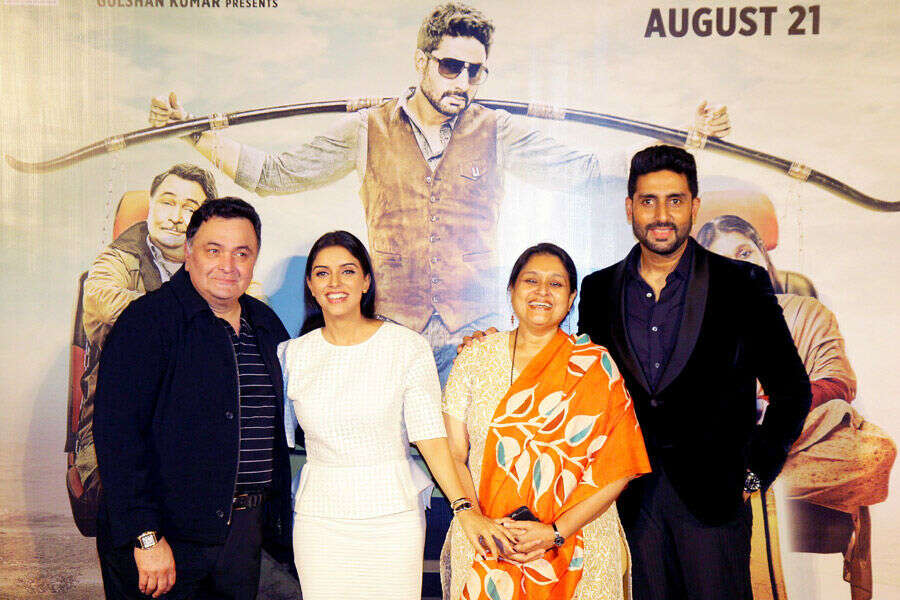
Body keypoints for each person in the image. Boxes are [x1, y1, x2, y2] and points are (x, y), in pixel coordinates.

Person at [148, 2, 729, 383]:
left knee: (470, 488)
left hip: (472, 337)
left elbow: (587, 167)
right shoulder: (366, 130)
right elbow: (274, 171)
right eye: (451, 67)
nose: (464, 82)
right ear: (421, 61)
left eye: (477, 71)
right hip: (391, 336)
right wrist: (196, 135)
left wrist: (687, 141)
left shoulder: (497, 130)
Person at [577, 145, 811, 600]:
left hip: (715, 500)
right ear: (629, 208)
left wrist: (753, 474)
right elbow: (584, 382)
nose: (662, 214)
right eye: (648, 201)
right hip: (631, 499)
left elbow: (792, 390)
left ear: (695, 206)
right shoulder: (598, 288)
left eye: (675, 200)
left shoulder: (741, 284)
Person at [278, 230, 512, 600]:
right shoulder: (292, 355)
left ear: (367, 280)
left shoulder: (406, 347)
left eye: (348, 271)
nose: (335, 283)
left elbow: (431, 439)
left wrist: (464, 508)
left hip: (392, 517)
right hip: (319, 519)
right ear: (310, 284)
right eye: (322, 273)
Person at [93, 197, 294, 599]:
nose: (228, 265)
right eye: (213, 250)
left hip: (243, 536)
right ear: (188, 253)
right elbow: (118, 438)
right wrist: (146, 537)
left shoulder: (266, 324)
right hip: (165, 544)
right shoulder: (147, 322)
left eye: (242, 252)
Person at [697, 214, 896, 598]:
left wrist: (775, 408)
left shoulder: (807, 312)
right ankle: (746, 478)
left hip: (798, 437)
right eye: (724, 260)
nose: (740, 264)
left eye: (744, 251)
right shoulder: (699, 325)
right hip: (726, 444)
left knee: (875, 451)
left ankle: (747, 479)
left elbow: (837, 382)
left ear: (763, 256)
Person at [442, 243, 651, 600]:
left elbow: (619, 465)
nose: (542, 291)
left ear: (571, 299)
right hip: (488, 541)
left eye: (556, 284)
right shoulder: (474, 359)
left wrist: (555, 531)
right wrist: (475, 520)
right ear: (511, 290)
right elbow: (452, 454)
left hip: (579, 542)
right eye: (530, 280)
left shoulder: (595, 366)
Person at [74, 163, 217, 512]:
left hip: (195, 423)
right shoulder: (117, 258)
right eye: (167, 202)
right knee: (134, 497)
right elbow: (102, 303)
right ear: (150, 206)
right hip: (117, 424)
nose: (175, 216)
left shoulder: (219, 262)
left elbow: (243, 315)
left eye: (189, 207)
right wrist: (190, 313)